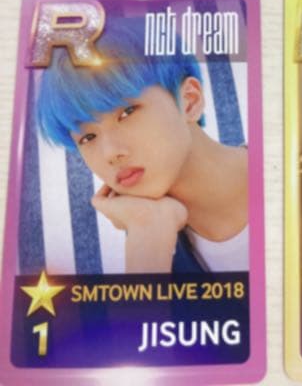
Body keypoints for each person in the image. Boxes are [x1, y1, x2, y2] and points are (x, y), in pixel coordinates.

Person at [37, 19, 248, 274]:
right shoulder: (151, 238)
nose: (111, 153)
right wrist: (146, 233)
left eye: (127, 112)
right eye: (88, 138)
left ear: (189, 101)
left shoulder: (287, 172)